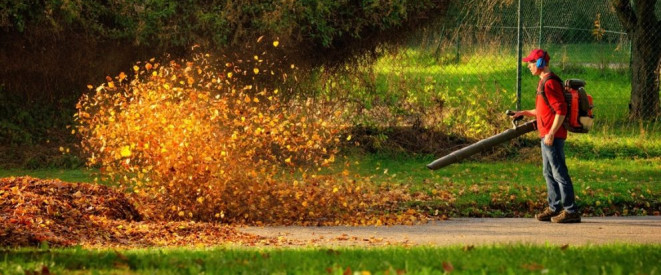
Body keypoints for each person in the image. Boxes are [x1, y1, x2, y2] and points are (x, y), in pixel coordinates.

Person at [513, 49, 581, 223]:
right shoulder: (543, 82)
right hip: (546, 135)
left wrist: (551, 133)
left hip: (553, 136)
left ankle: (570, 210)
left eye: (530, 62)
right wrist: (525, 112)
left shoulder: (549, 83)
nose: (528, 66)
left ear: (540, 63)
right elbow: (544, 110)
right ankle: (554, 207)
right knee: (548, 172)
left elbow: (561, 110)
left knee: (559, 172)